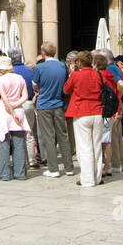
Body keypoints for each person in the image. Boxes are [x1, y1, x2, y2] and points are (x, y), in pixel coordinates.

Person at [64, 51, 106, 187]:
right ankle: (97, 176)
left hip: (81, 111)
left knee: (84, 147)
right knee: (97, 146)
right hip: (97, 111)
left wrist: (71, 73)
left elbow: (66, 89)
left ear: (79, 63)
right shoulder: (98, 74)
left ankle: (87, 179)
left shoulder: (76, 75)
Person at [33, 41, 73, 177]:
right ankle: (69, 167)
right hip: (59, 104)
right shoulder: (62, 66)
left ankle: (53, 168)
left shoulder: (40, 67)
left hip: (44, 105)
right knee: (63, 136)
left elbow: (35, 85)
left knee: (48, 137)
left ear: (43, 53)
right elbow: (66, 83)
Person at [0, 55, 29, 181]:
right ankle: (20, 173)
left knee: (4, 143)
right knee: (19, 144)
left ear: (0, 70)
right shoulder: (20, 78)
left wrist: (11, 110)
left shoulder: (0, 80)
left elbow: (4, 98)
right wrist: (16, 106)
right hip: (19, 110)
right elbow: (25, 96)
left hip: (5, 112)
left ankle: (5, 173)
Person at [9, 48, 40, 168]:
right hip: (28, 103)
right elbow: (35, 86)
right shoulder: (29, 70)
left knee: (16, 133)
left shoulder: (11, 72)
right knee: (29, 133)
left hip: (15, 104)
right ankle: (32, 160)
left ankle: (20, 160)